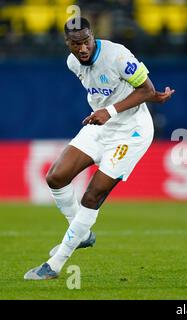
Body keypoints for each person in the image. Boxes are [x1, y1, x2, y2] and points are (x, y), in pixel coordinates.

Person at [24, 17, 175, 280]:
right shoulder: (73, 63)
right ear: (67, 43)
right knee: (55, 177)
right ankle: (81, 233)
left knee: (92, 196)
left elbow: (147, 89)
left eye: (86, 41)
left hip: (131, 132)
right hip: (100, 124)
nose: (82, 48)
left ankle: (55, 264)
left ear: (93, 37)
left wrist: (114, 109)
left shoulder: (117, 55)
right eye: (75, 43)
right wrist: (105, 111)